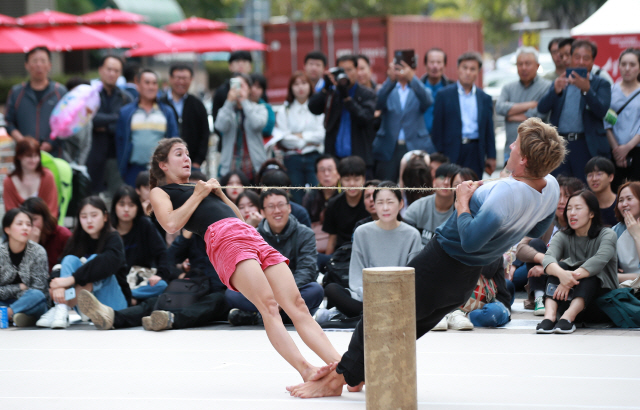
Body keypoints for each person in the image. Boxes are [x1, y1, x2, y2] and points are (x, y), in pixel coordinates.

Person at [287, 117, 565, 398]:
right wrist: (502, 232)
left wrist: (462, 201)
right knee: (407, 327)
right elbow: (538, 229)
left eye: (516, 145)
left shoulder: (506, 193)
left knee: (380, 316)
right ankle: (355, 374)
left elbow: (469, 241)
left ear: (525, 160)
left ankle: (335, 381)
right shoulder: (550, 185)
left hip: (443, 262)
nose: (511, 146)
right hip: (466, 278)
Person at [147, 137, 342, 382]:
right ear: (163, 165)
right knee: (269, 306)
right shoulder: (161, 191)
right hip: (224, 240)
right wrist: (198, 195)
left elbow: (238, 217)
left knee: (298, 305)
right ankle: (306, 370)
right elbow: (171, 223)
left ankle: (341, 366)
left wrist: (219, 194)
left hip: (249, 234)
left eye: (187, 153)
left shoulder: (201, 186)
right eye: (179, 154)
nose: (186, 158)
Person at [318, 181, 422, 327]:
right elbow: (356, 277)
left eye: (390, 202)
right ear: (374, 205)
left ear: (400, 204)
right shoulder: (362, 232)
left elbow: (413, 277)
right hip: (366, 297)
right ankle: (373, 317)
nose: (385, 208)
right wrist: (374, 296)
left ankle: (358, 318)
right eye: (380, 202)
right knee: (332, 289)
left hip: (399, 297)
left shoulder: (412, 235)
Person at [225, 189, 324, 325]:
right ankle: (284, 317)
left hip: (293, 292)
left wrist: (282, 297)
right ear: (263, 212)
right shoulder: (254, 235)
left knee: (315, 290)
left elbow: (307, 270)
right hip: (265, 294)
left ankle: (260, 317)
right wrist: (273, 298)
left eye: (281, 205)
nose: (277, 210)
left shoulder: (305, 234)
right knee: (231, 294)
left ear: (289, 208)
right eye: (271, 207)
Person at [36, 196, 128, 329]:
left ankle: (62, 306)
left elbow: (108, 263)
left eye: (94, 215)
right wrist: (57, 285)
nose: (89, 220)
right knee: (70, 259)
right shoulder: (77, 239)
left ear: (105, 217)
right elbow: (61, 263)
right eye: (84, 216)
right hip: (84, 305)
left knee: (95, 261)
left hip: (114, 305)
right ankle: (61, 309)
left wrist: (70, 280)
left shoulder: (113, 238)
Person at [536, 190, 618, 334]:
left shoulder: (608, 234)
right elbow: (548, 259)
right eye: (569, 209)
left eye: (578, 208)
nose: (572, 213)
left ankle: (568, 318)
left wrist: (569, 278)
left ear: (592, 213)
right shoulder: (562, 235)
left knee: (590, 274)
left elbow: (597, 261)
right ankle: (549, 318)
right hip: (567, 299)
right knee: (558, 266)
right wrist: (562, 275)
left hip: (601, 304)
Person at [538, 39, 612, 182]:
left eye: (586, 58)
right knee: (560, 189)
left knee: (585, 191)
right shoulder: (561, 81)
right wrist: (555, 91)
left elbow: (602, 111)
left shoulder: (600, 83)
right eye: (576, 57)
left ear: (592, 61)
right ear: (570, 59)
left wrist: (587, 90)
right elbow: (542, 108)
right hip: (560, 145)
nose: (581, 62)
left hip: (586, 144)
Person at [515, 176, 585, 314]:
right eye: (558, 196)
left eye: (567, 196)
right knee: (535, 244)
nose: (562, 201)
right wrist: (544, 261)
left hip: (569, 278)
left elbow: (580, 260)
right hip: (545, 276)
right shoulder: (546, 221)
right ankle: (539, 298)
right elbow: (521, 248)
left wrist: (547, 268)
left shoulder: (582, 225)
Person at [432, 52, 496, 179]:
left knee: (474, 187)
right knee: (451, 187)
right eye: (464, 68)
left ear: (478, 72)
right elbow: (437, 128)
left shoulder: (484, 98)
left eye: (472, 69)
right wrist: (439, 156)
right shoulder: (444, 95)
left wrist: (491, 156)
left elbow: (489, 128)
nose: (468, 72)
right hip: (451, 150)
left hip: (475, 150)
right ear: (458, 70)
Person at [308, 55, 377, 174]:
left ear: (356, 70)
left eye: (349, 70)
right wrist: (326, 87)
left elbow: (365, 118)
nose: (345, 74)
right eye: (341, 70)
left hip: (360, 158)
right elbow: (313, 108)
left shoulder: (367, 94)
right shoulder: (333, 93)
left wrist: (347, 99)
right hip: (334, 160)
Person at [116, 69, 179, 186]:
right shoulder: (126, 113)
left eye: (154, 83)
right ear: (138, 85)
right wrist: (123, 169)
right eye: (147, 82)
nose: (151, 87)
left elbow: (174, 141)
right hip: (133, 170)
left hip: (160, 171)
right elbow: (120, 142)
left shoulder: (167, 112)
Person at [373, 59, 434, 182]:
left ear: (414, 70)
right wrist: (390, 80)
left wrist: (412, 79)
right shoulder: (388, 88)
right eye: (398, 67)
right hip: (389, 147)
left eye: (406, 68)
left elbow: (427, 101)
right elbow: (377, 103)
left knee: (415, 185)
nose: (402, 71)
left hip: (414, 145)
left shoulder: (420, 89)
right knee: (386, 184)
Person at [111, 185, 170, 304]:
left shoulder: (145, 225)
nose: (126, 209)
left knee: (162, 285)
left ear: (137, 207)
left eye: (131, 205)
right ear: (114, 207)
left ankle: (127, 298)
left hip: (140, 280)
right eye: (121, 204)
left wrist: (160, 275)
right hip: (115, 281)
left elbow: (162, 252)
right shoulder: (109, 229)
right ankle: (131, 300)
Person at [274, 71, 325, 204]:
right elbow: (284, 138)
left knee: (317, 195)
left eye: (304, 83)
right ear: (291, 87)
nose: (300, 87)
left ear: (309, 86)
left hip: (314, 156)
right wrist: (308, 140)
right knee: (296, 198)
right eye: (296, 84)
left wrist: (300, 136)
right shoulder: (285, 109)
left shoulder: (318, 107)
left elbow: (321, 135)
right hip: (292, 158)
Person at [4, 46, 67, 155]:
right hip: (25, 156)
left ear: (49, 65)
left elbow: (67, 122)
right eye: (34, 61)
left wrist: (51, 143)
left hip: (54, 155)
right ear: (26, 65)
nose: (39, 65)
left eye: (43, 61)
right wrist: (23, 142)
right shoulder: (17, 92)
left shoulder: (60, 92)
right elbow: (9, 122)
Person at [495, 47, 551, 163]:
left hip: (537, 152)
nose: (523, 67)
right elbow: (499, 107)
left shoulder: (547, 87)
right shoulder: (508, 88)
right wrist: (530, 104)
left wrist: (510, 115)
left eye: (528, 63)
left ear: (537, 65)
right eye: (520, 64)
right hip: (511, 151)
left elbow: (539, 115)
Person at [87, 55, 132, 195]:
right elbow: (90, 120)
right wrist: (115, 118)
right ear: (100, 70)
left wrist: (104, 126)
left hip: (116, 157)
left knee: (117, 198)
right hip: (92, 155)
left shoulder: (126, 97)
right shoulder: (89, 94)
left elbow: (126, 125)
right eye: (109, 69)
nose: (112, 73)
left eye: (116, 70)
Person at [0, 209, 49, 327]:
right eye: (19, 224)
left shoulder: (38, 252)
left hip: (31, 302)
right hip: (3, 302)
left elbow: (39, 289)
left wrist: (12, 299)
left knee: (37, 296)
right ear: (7, 229)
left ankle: (8, 314)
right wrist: (19, 287)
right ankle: (20, 317)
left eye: (28, 224)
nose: (25, 228)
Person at [215, 73, 268, 182]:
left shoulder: (259, 108)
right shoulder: (227, 109)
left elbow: (257, 124)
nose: (238, 89)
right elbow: (220, 126)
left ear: (249, 89)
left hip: (254, 166)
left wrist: (244, 101)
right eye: (234, 85)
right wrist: (229, 102)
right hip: (231, 165)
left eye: (241, 85)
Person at [159, 64, 210, 170]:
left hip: (191, 164)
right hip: (165, 164)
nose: (181, 82)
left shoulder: (197, 104)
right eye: (178, 78)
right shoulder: (161, 104)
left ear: (191, 80)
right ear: (170, 79)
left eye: (185, 78)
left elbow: (205, 134)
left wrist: (198, 161)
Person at [322, 156, 370, 255]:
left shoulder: (370, 202)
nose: (352, 184)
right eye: (347, 179)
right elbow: (332, 238)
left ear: (363, 179)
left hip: (366, 252)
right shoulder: (333, 204)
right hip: (342, 254)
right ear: (340, 179)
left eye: (357, 179)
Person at [607, 48, 640, 188]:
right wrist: (617, 150)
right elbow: (607, 123)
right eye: (623, 64)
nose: (627, 68)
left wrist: (627, 147)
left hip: (637, 150)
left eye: (632, 64)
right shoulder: (612, 91)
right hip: (614, 151)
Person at [404, 163, 459, 245]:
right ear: (434, 182)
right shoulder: (418, 207)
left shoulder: (461, 212)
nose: (446, 183)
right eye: (442, 177)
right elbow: (403, 236)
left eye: (451, 179)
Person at [3, 137, 58, 218]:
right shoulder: (8, 182)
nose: (34, 160)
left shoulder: (47, 176)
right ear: (19, 156)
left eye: (36, 156)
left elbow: (52, 211)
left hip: (45, 229)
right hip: (19, 229)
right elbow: (10, 214)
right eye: (29, 156)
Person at [22, 197, 71, 272]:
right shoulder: (21, 236)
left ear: (44, 217)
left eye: (34, 219)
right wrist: (31, 245)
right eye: (27, 221)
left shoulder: (63, 235)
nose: (30, 224)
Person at [211, 50, 253, 132]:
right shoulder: (222, 91)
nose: (241, 64)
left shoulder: (256, 88)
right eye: (237, 61)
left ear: (250, 66)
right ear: (230, 66)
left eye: (244, 61)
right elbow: (217, 122)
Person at [421, 48, 454, 135]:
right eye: (431, 62)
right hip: (422, 140)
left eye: (439, 62)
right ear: (425, 65)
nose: (435, 66)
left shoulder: (453, 89)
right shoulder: (416, 88)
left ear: (445, 65)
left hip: (445, 140)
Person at [613, 181, 640, 283]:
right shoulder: (616, 231)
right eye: (620, 200)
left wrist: (636, 235)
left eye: (629, 199)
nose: (624, 204)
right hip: (628, 286)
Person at [62, 77, 93, 166]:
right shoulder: (61, 116)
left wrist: (79, 165)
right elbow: (59, 144)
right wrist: (69, 164)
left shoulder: (86, 117)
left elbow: (87, 145)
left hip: (79, 166)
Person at [302, 154, 340, 224]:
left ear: (338, 174)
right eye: (322, 170)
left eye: (330, 169)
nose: (326, 174)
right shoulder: (310, 196)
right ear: (316, 175)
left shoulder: (345, 194)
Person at [585, 157, 618, 226]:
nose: (594, 179)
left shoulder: (621, 204)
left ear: (611, 177)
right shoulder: (586, 205)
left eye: (599, 174)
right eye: (590, 175)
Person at [249, 73, 276, 140]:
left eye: (258, 87)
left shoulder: (267, 108)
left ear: (263, 91)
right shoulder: (239, 105)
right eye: (251, 86)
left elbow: (268, 130)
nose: (254, 89)